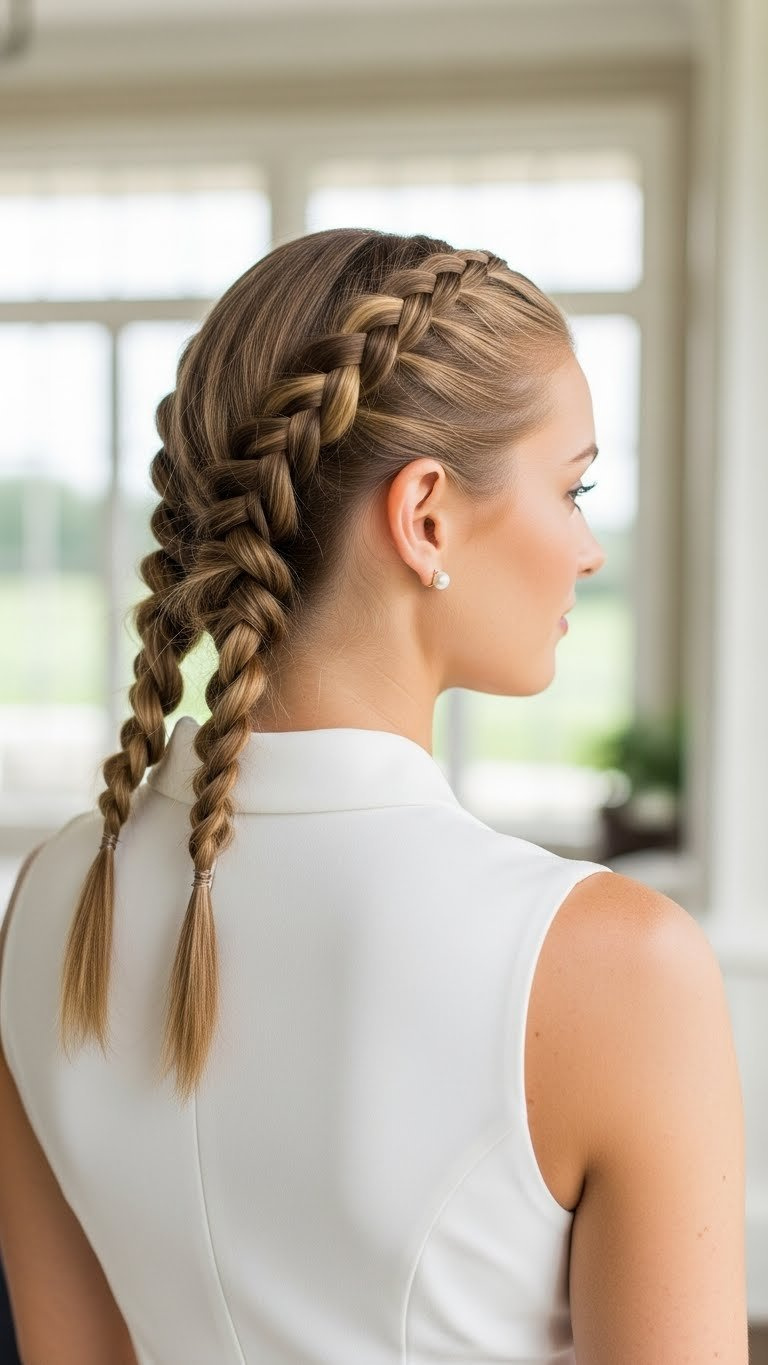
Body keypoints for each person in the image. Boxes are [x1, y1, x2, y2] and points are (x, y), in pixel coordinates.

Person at [0, 228, 747, 1364]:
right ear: (426, 514)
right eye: (574, 486)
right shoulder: (614, 968)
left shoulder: (55, 904)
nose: (590, 548)